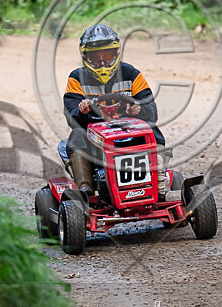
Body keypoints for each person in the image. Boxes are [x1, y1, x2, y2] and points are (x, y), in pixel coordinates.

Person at [63, 24, 166, 195]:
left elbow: (152, 112)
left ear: (117, 53)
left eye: (107, 55)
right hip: (95, 140)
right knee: (76, 136)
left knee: (152, 130)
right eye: (96, 57)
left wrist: (139, 110)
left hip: (129, 134)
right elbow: (71, 116)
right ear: (85, 56)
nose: (102, 62)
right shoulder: (76, 78)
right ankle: (86, 189)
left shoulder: (131, 74)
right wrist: (82, 111)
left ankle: (158, 179)